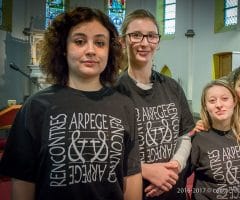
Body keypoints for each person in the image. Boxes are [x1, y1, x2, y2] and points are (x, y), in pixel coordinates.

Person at [0, 7, 142, 200]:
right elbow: (23, 182)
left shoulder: (124, 106)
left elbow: (131, 176)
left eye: (100, 43)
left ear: (110, 51)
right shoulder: (35, 107)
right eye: (79, 41)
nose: (91, 50)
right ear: (63, 49)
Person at [115, 9, 195, 200]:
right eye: (136, 35)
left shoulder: (172, 87)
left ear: (157, 42)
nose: (144, 43)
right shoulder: (112, 91)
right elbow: (105, 151)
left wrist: (175, 167)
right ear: (123, 41)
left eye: (151, 36)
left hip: (174, 188)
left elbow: (183, 136)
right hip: (132, 189)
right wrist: (145, 170)